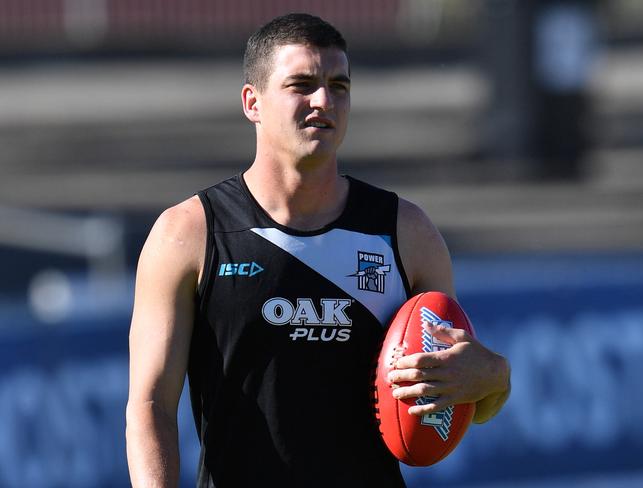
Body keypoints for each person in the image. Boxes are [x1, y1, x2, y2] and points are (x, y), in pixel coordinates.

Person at [126, 13, 510, 488]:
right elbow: (150, 406)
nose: (323, 100)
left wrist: (493, 375)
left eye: (339, 85)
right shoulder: (188, 233)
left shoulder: (405, 232)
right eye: (302, 84)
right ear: (253, 103)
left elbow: (468, 393)